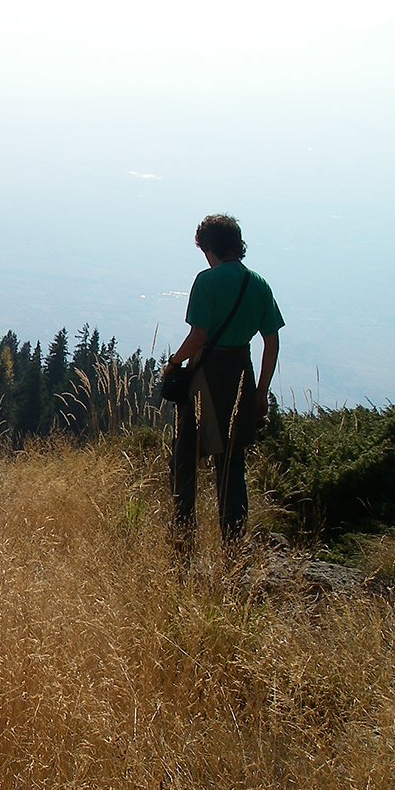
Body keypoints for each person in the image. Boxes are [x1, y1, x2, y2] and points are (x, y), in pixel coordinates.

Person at [161, 214, 284, 555]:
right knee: (231, 466)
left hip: (206, 378)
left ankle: (183, 538)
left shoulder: (207, 281)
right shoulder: (258, 284)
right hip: (242, 376)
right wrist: (260, 392)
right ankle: (234, 546)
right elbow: (271, 343)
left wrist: (173, 363)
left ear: (209, 246)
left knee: (185, 460)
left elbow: (198, 336)